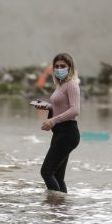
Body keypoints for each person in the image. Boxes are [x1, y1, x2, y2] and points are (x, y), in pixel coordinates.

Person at [35, 52, 80, 193]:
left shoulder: (71, 84)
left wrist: (53, 120)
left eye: (63, 66)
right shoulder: (61, 85)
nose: (59, 69)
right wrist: (47, 106)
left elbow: (75, 110)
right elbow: (62, 107)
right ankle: (61, 210)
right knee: (58, 177)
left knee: (46, 172)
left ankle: (54, 204)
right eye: (56, 66)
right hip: (60, 133)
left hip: (68, 134)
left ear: (70, 68)